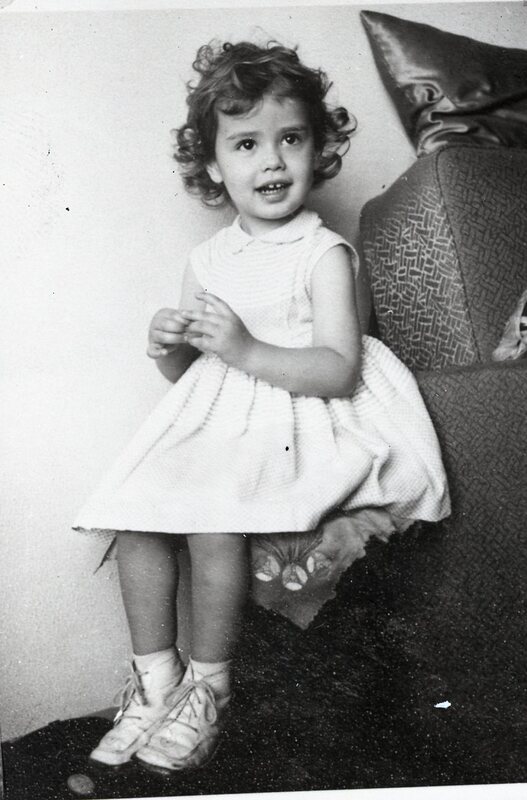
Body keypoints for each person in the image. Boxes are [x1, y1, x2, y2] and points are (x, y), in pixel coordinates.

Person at [73, 40, 450, 774]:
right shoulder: (209, 260)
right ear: (213, 164)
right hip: (227, 422)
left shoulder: (323, 253)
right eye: (246, 144)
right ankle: (155, 685)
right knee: (136, 518)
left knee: (215, 518)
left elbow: (338, 367)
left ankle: (208, 689)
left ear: (319, 148)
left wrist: (243, 348)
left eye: (291, 139)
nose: (272, 161)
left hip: (304, 416)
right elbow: (190, 375)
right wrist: (167, 347)